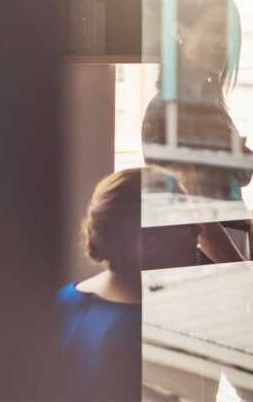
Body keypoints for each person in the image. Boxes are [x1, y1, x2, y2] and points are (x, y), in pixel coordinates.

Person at [56, 166, 202, 401]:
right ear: (145, 244)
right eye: (188, 222)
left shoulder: (62, 300)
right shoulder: (149, 336)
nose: (200, 230)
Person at [142, 0, 253, 262]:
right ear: (179, 32)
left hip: (231, 252)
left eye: (229, 34)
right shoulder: (168, 111)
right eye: (214, 30)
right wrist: (245, 274)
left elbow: (236, 202)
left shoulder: (212, 109)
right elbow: (195, 213)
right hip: (199, 261)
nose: (226, 44)